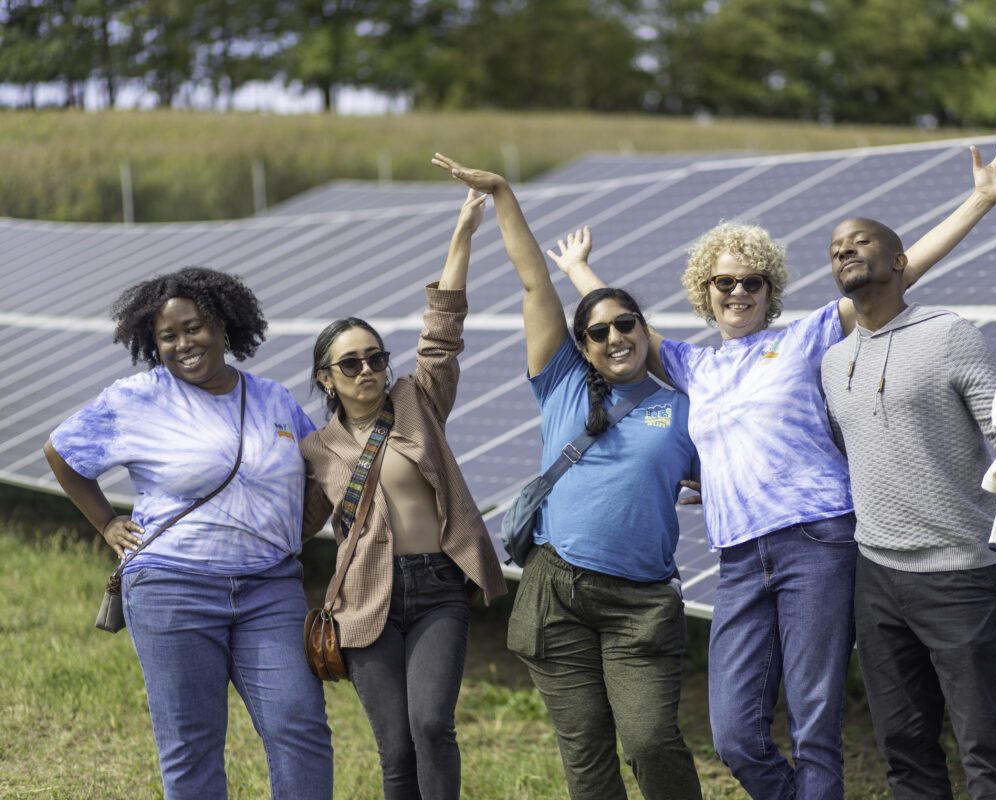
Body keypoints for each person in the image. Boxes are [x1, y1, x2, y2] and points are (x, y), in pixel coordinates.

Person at [553, 132, 996, 799]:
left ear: (769, 289)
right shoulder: (694, 365)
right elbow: (625, 326)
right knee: (736, 734)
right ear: (706, 290)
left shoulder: (806, 339)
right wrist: (582, 272)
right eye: (724, 282)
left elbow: (899, 271)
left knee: (814, 725)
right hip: (741, 558)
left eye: (752, 281)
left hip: (818, 544)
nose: (738, 292)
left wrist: (979, 201)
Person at [433, 153, 704, 800]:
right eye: (599, 330)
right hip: (557, 589)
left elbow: (738, 469)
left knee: (649, 740)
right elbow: (535, 286)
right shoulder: (560, 384)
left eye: (626, 324)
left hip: (640, 603)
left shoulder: (685, 408)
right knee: (585, 752)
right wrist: (502, 193)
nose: (614, 336)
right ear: (582, 345)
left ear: (645, 329)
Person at [43, 267, 333, 799]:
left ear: (222, 325)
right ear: (152, 344)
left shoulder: (273, 399)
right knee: (192, 744)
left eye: (193, 328)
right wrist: (107, 522)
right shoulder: (137, 398)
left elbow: (321, 471)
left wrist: (294, 529)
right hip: (173, 588)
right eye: (167, 336)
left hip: (270, 589)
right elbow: (61, 450)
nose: (183, 344)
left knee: (300, 727)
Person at [820, 216, 996, 799]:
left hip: (959, 574)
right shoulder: (834, 363)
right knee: (904, 750)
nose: (844, 252)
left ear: (899, 261)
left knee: (984, 750)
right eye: (835, 250)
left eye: (860, 242)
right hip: (876, 579)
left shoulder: (948, 334)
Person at [300, 189, 507, 800]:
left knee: (431, 726)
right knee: (394, 748)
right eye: (351, 364)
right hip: (366, 599)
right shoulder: (315, 450)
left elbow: (443, 330)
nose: (367, 371)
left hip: (439, 585)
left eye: (374, 358)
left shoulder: (420, 401)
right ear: (326, 379)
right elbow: (291, 526)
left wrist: (464, 230)